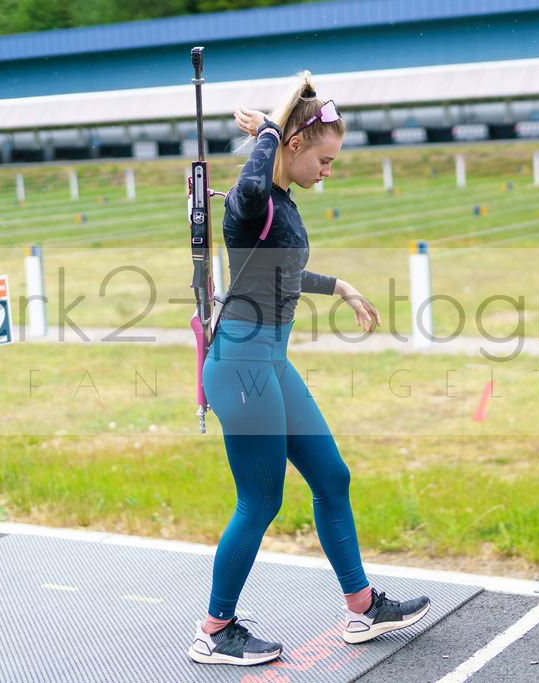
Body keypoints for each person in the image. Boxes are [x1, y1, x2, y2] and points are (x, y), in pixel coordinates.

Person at [188, 71, 430, 668]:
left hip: (268, 360)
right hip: (242, 363)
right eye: (324, 158)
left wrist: (340, 286)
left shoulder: (282, 205)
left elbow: (281, 273)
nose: (329, 170)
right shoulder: (253, 200)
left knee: (332, 475)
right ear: (295, 145)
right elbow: (249, 185)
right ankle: (215, 631)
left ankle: (363, 607)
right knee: (261, 500)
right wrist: (271, 127)